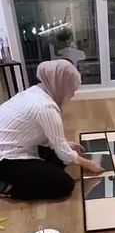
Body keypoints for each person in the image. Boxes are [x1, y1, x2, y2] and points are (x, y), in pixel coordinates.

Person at [0, 59, 103, 201]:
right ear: (60, 84)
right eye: (71, 89)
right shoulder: (45, 107)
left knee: (62, 160)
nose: (72, 94)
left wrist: (67, 144)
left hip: (17, 146)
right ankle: (7, 188)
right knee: (64, 185)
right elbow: (62, 151)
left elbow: (39, 132)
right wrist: (89, 164)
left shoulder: (35, 91)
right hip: (6, 158)